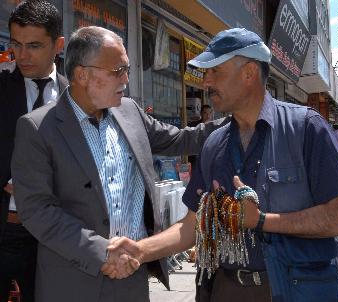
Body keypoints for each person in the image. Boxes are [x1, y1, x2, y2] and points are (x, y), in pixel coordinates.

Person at [107, 28, 338, 302]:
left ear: (249, 73)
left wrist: (261, 221)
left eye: (216, 72)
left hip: (294, 289)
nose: (206, 82)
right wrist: (140, 250)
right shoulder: (214, 144)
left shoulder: (306, 129)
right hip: (228, 290)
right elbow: (191, 226)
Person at [11, 25, 227, 302]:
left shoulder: (129, 111)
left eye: (127, 68)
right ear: (81, 75)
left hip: (131, 281)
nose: (125, 79)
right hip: (73, 283)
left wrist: (237, 118)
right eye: (117, 71)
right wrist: (102, 252)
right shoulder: (39, 128)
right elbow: (37, 210)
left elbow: (180, 140)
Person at [0, 1, 66, 301]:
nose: (21, 55)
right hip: (6, 229)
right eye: (16, 44)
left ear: (58, 45)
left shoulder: (75, 97)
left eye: (34, 46)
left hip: (55, 235)